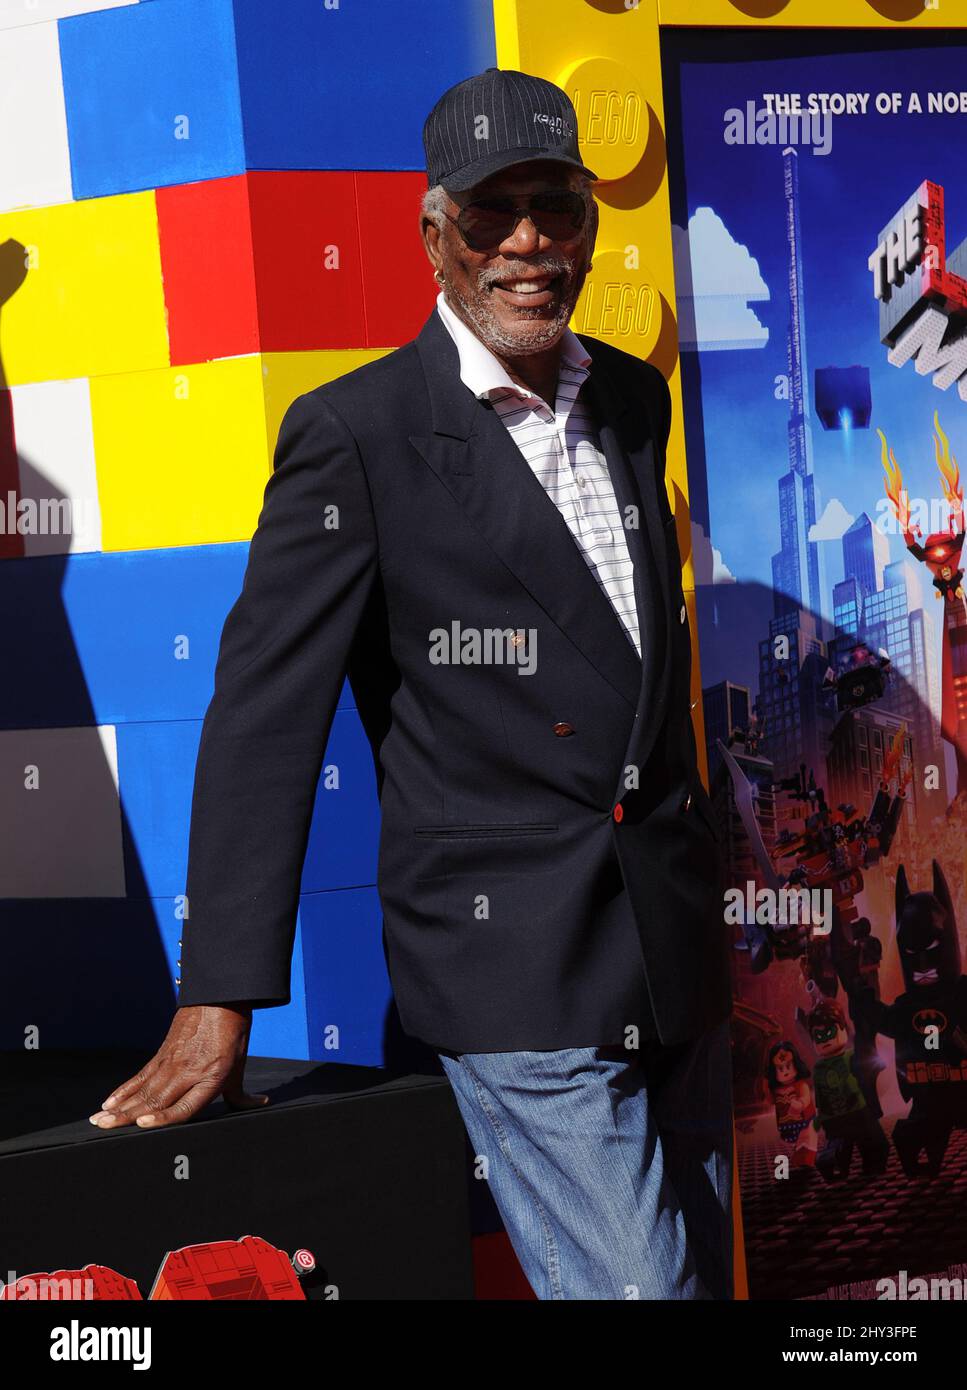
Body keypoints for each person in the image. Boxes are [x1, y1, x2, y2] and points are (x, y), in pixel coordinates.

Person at [89, 67, 735, 1301]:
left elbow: (634, 673)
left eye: (557, 207)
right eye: (495, 214)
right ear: (435, 233)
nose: (531, 245)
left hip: (673, 958)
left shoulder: (636, 400)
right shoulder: (359, 435)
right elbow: (264, 718)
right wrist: (222, 991)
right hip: (515, 973)